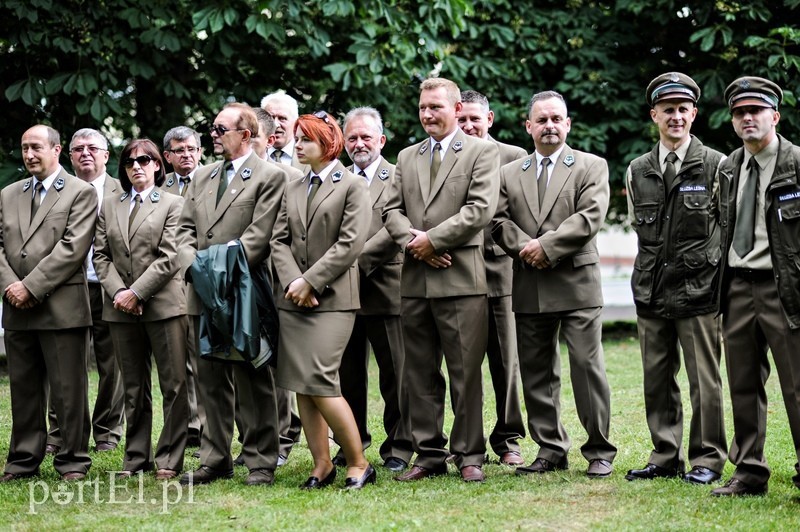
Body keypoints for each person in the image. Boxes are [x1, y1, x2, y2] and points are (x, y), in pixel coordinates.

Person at [492, 90, 617, 478]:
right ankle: (550, 448)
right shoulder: (509, 172)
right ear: (528, 126)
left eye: (556, 119)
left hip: (576, 282)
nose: (549, 125)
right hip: (530, 284)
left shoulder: (591, 166)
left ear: (567, 124)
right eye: (541, 119)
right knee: (536, 371)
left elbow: (589, 217)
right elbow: (497, 221)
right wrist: (524, 249)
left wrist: (544, 247)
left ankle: (599, 450)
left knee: (585, 365)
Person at [383, 77, 499, 483]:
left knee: (465, 373)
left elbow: (480, 210)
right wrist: (414, 242)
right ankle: (429, 453)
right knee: (419, 373)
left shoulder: (481, 152)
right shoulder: (406, 156)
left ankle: (469, 454)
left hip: (461, 279)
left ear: (455, 108)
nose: (428, 114)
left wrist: (433, 239)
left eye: (435, 107)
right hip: (415, 280)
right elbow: (391, 211)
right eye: (423, 108)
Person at [624, 73, 727, 485]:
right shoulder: (638, 169)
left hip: (700, 290)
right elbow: (638, 227)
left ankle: (707, 459)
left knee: (705, 381)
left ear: (694, 114)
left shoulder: (718, 164)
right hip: (652, 290)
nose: (676, 117)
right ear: (655, 115)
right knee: (656, 379)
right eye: (668, 110)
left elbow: (726, 224)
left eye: (683, 109)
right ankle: (665, 456)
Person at [178, 103, 287, 486]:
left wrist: (213, 272)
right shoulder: (201, 177)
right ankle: (215, 458)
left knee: (253, 378)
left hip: (244, 293)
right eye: (212, 128)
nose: (214, 134)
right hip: (202, 295)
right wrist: (197, 270)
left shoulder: (270, 177)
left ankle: (260, 460)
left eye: (221, 128)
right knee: (209, 379)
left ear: (246, 133)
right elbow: (183, 232)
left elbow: (258, 238)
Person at [270, 111, 373, 489]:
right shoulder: (293, 186)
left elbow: (351, 244)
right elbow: (278, 240)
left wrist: (311, 281)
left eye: (304, 140)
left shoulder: (352, 186)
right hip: (293, 299)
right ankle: (322, 463)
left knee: (321, 380)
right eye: (297, 139)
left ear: (327, 144)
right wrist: (293, 282)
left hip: (333, 300)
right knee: (301, 383)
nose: (296, 145)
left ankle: (359, 461)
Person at [711, 76, 800, 497]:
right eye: (739, 113)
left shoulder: (796, 163)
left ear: (775, 116)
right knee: (743, 383)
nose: (747, 118)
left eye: (756, 111)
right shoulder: (729, 167)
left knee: (797, 385)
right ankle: (748, 472)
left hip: (785, 290)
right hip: (738, 288)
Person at [0, 125, 97, 482]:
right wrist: (12, 285)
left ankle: (72, 460)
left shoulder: (80, 192)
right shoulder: (9, 194)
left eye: (36, 147)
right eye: (24, 148)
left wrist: (31, 287)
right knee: (23, 390)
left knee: (67, 392)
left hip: (62, 309)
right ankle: (23, 460)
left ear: (57, 150)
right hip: (16, 307)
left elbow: (73, 248)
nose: (28, 155)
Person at [93, 139, 189, 480]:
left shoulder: (174, 204)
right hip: (119, 308)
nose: (137, 165)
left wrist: (137, 292)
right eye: (130, 161)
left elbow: (170, 257)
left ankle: (169, 458)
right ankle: (136, 458)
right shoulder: (109, 204)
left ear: (157, 165)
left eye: (145, 159)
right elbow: (101, 256)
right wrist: (120, 292)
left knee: (174, 385)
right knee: (133, 387)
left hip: (163, 306)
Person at [332, 106, 412, 472]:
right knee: (347, 375)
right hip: (343, 295)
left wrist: (352, 262)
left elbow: (397, 230)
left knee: (395, 374)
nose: (359, 143)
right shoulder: (337, 180)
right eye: (352, 137)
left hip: (386, 287)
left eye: (366, 136)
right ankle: (352, 442)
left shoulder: (400, 177)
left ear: (381, 140)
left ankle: (399, 444)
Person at [44, 129, 125, 455]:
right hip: (67, 287)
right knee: (63, 364)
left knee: (113, 365)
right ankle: (59, 431)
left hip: (110, 287)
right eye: (78, 149)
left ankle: (107, 431)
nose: (85, 154)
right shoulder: (57, 191)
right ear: (69, 156)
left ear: (106, 155)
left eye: (93, 148)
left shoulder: (124, 190)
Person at [458, 90, 527, 466]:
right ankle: (467, 442)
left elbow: (519, 214)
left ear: (490, 118)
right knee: (463, 363)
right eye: (463, 119)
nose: (469, 125)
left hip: (501, 272)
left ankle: (508, 439)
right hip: (458, 274)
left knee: (505, 361)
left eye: (475, 118)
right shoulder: (452, 157)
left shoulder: (514, 157)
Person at [161, 125, 204, 448]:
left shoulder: (215, 180)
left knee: (203, 355)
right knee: (180, 360)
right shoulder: (161, 188)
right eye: (179, 151)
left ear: (200, 151)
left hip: (204, 277)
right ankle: (191, 422)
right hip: (169, 284)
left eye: (191, 149)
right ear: (167, 157)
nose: (186, 155)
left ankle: (208, 420)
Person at [261, 91, 307, 172]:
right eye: (270, 118)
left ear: (296, 122)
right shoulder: (251, 153)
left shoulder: (311, 156)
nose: (276, 124)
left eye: (282, 118)